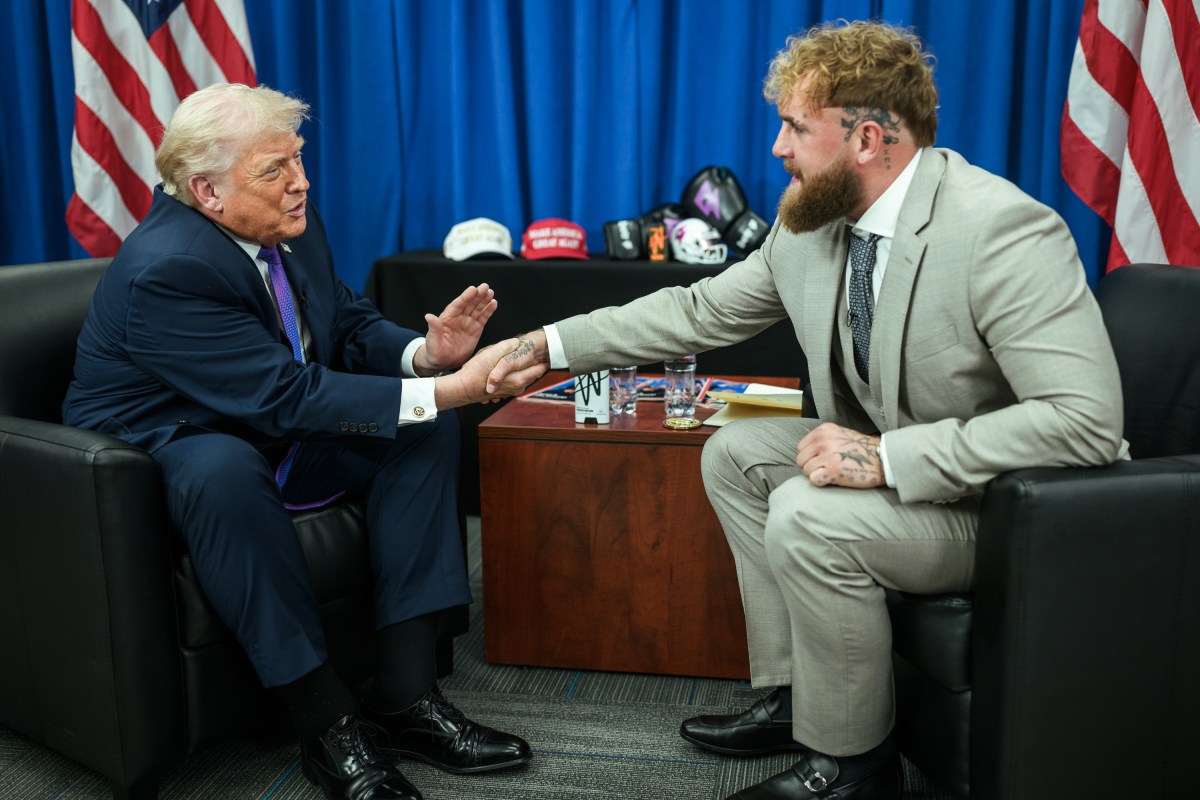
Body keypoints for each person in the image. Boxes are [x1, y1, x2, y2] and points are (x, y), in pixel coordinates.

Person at [486, 20, 1126, 800]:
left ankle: (855, 766)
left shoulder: (1000, 230)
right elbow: (696, 311)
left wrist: (887, 459)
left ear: (865, 138)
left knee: (807, 513)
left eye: (794, 126)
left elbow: (1085, 421)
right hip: (915, 475)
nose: (778, 149)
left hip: (1008, 507)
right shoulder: (814, 223)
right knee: (736, 452)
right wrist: (542, 347)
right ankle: (802, 696)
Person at [63, 83, 545, 800]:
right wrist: (458, 387)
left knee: (419, 427)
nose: (301, 183)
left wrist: (427, 356)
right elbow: (285, 395)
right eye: (275, 168)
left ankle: (406, 698)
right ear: (207, 191)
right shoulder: (166, 269)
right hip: (164, 446)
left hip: (264, 430)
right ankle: (326, 726)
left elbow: (343, 322)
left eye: (298, 160)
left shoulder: (285, 222)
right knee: (222, 468)